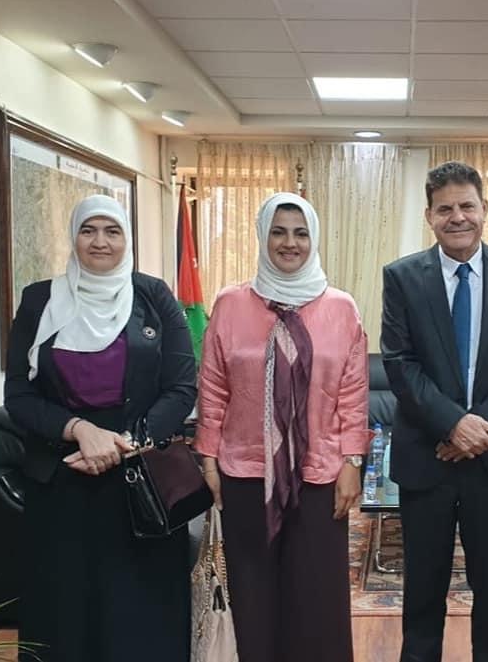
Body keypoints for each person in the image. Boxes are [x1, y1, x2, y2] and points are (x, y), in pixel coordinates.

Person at [4, 194, 197, 662]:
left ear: (126, 239)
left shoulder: (153, 296)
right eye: (88, 230)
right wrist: (78, 430)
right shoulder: (39, 300)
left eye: (112, 231)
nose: (100, 242)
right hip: (63, 476)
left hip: (140, 479)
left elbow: (181, 387)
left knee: (141, 612)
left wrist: (127, 442)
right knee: (65, 610)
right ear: (74, 237)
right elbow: (19, 395)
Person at [381, 161, 488, 662]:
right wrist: (454, 424)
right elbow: (400, 363)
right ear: (429, 216)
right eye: (445, 208)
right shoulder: (402, 277)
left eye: (467, 206)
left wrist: (476, 429)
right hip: (426, 455)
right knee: (422, 585)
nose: (457, 217)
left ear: (484, 209)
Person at [195, 191, 369, 662]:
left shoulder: (341, 308)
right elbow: (213, 386)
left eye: (300, 233)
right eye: (278, 232)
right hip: (245, 472)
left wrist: (353, 462)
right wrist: (208, 459)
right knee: (254, 593)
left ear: (314, 240)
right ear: (262, 236)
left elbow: (353, 394)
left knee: (317, 596)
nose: (290, 243)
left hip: (320, 476)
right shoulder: (231, 304)